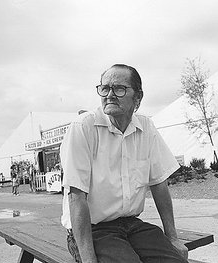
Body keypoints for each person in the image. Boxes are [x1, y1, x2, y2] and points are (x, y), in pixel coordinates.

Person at [60, 64, 188, 263]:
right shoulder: (83, 127)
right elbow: (76, 197)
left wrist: (173, 238)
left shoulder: (146, 127)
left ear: (138, 97)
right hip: (93, 230)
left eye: (119, 88)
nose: (109, 94)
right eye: (105, 88)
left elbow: (159, 183)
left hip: (131, 225)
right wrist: (88, 260)